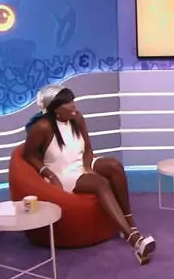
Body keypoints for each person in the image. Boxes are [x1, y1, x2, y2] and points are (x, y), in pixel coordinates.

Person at [23, 84, 156, 265]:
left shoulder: (77, 118)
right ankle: (133, 239)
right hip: (62, 171)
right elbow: (29, 155)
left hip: (81, 163)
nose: (73, 105)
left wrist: (88, 167)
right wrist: (49, 175)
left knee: (115, 166)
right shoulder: (43, 127)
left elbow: (87, 148)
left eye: (73, 100)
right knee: (100, 183)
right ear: (55, 109)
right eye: (67, 103)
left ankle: (130, 223)